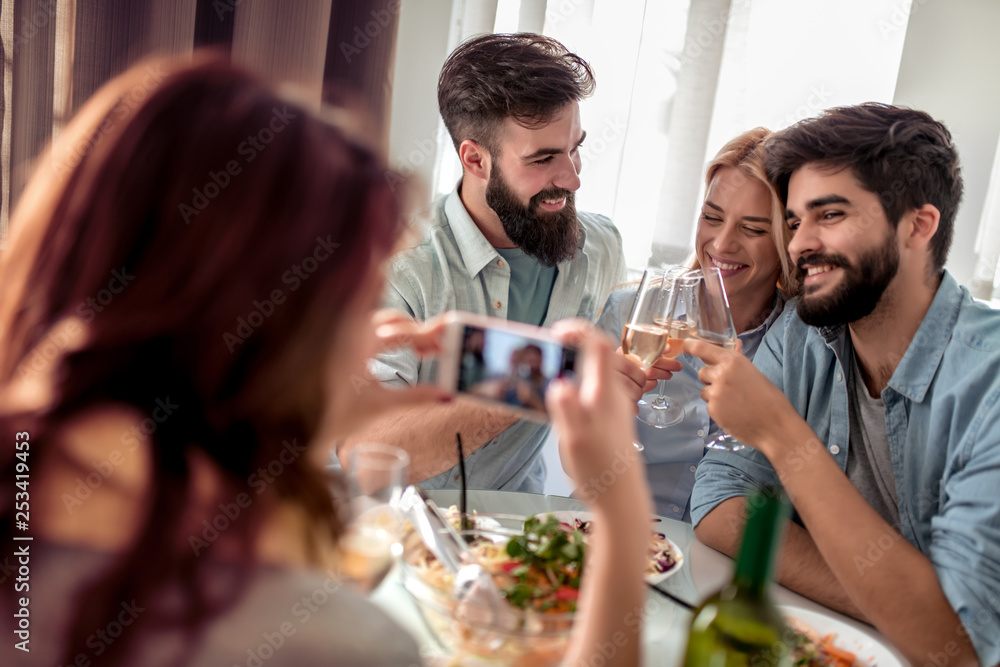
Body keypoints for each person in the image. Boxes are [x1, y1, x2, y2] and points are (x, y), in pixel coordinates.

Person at [0, 57, 653, 667]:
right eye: (358, 301)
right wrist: (621, 516)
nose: (570, 175)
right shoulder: (335, 640)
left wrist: (311, 400)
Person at [687, 103, 999, 666]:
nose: (800, 244)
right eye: (795, 220)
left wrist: (784, 438)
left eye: (828, 215)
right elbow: (718, 503)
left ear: (917, 226)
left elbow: (960, 643)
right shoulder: (803, 333)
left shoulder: (990, 384)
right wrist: (892, 604)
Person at [342, 33, 640, 493]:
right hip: (398, 537)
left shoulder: (601, 247)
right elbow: (363, 457)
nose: (573, 178)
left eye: (574, 148)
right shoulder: (396, 266)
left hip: (518, 534)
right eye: (543, 158)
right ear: (475, 159)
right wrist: (545, 374)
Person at [598, 128, 798, 520]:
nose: (722, 244)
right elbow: (579, 466)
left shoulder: (802, 350)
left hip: (722, 560)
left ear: (787, 239)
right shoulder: (629, 312)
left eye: (753, 229)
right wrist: (604, 410)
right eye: (711, 217)